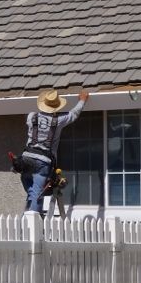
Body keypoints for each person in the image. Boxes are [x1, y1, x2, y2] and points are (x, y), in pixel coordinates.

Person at [20, 87, 89, 215]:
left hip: (26, 158)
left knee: (30, 187)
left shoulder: (31, 116)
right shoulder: (58, 121)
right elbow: (74, 114)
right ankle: (33, 221)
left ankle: (31, 206)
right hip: (43, 161)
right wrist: (82, 101)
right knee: (37, 193)